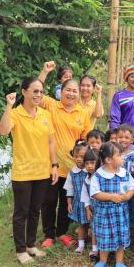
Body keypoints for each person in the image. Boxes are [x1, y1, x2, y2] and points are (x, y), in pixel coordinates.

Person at [0, 78, 58, 264]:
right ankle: (20, 250)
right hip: (23, 172)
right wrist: (9, 105)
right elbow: (3, 130)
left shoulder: (45, 115)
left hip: (42, 171)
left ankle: (31, 245)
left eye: (41, 91)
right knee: (21, 213)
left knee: (35, 211)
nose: (38, 95)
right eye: (34, 91)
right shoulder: (15, 114)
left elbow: (51, 142)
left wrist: (54, 165)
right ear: (24, 92)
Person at [39, 78, 92, 249]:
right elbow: (36, 91)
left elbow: (86, 139)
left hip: (72, 168)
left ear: (79, 94)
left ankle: (62, 232)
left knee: (66, 201)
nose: (71, 93)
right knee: (48, 201)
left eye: (74, 91)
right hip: (51, 165)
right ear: (61, 92)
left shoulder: (82, 113)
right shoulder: (52, 106)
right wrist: (45, 72)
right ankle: (48, 234)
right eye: (67, 90)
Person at [90, 142, 134, 267]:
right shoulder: (98, 175)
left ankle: (119, 262)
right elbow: (95, 193)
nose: (123, 157)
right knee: (104, 236)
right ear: (108, 159)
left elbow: (132, 188)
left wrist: (128, 196)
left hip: (120, 214)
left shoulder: (124, 173)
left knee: (120, 235)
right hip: (104, 214)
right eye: (119, 155)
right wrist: (110, 197)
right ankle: (102, 261)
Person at [63, 141, 89, 253]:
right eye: (76, 156)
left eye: (82, 157)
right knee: (82, 224)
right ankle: (81, 244)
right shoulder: (72, 173)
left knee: (94, 224)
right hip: (79, 203)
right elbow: (70, 189)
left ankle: (95, 246)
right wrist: (69, 203)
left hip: (91, 203)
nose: (79, 159)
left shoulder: (90, 171)